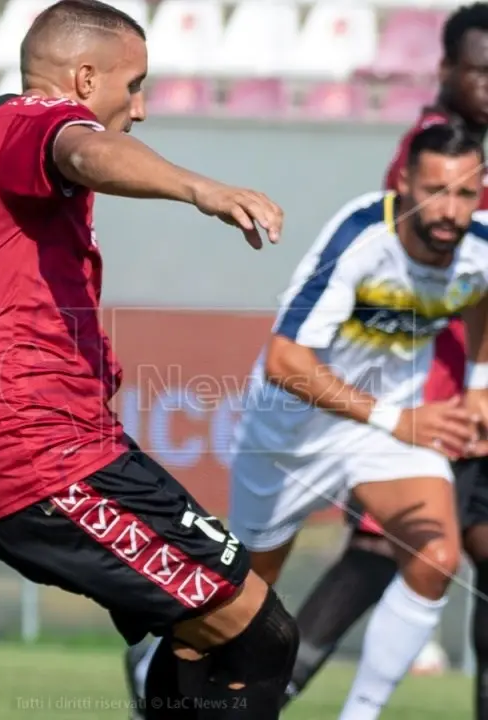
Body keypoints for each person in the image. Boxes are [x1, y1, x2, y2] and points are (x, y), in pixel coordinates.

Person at [0, 2, 298, 718]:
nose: (138, 110)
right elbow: (82, 151)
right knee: (261, 639)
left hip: (61, 464)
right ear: (81, 79)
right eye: (133, 86)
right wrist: (202, 188)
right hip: (49, 466)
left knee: (201, 642)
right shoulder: (31, 124)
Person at [227, 121, 488, 720]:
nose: (450, 211)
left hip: (388, 430)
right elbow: (283, 361)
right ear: (404, 183)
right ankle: (153, 673)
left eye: (466, 194)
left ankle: (360, 715)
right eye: (436, 190)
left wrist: (477, 386)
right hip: (291, 430)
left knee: (435, 558)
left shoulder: (477, 246)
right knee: (243, 601)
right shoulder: (362, 237)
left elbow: (480, 296)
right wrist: (398, 419)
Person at [278, 4, 488, 716]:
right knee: (387, 554)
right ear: (448, 70)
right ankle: (245, 689)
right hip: (433, 391)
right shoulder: (437, 156)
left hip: (471, 387)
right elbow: (434, 285)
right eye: (479, 69)